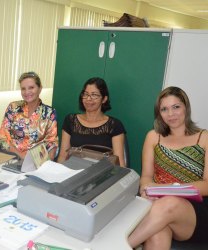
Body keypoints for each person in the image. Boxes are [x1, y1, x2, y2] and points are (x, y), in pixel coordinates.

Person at [128, 86, 208, 249]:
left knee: (170, 202)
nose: (170, 114)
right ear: (159, 113)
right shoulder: (153, 137)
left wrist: (165, 189)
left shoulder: (204, 138)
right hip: (158, 207)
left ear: (186, 107)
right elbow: (146, 177)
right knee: (157, 232)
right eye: (164, 109)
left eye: (176, 107)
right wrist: (145, 190)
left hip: (195, 213)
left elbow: (207, 184)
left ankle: (119, 245)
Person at [57, 77, 126, 166]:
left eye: (94, 95)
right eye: (85, 94)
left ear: (104, 99)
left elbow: (119, 164)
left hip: (101, 174)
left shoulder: (115, 125)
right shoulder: (70, 120)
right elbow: (63, 156)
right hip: (73, 171)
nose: (88, 99)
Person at [0, 71, 58, 160]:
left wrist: (46, 165)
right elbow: (2, 137)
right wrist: (21, 156)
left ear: (40, 88)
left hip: (37, 162)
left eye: (31, 87)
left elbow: (52, 142)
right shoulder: (13, 107)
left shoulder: (49, 112)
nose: (27, 92)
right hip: (10, 157)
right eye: (23, 89)